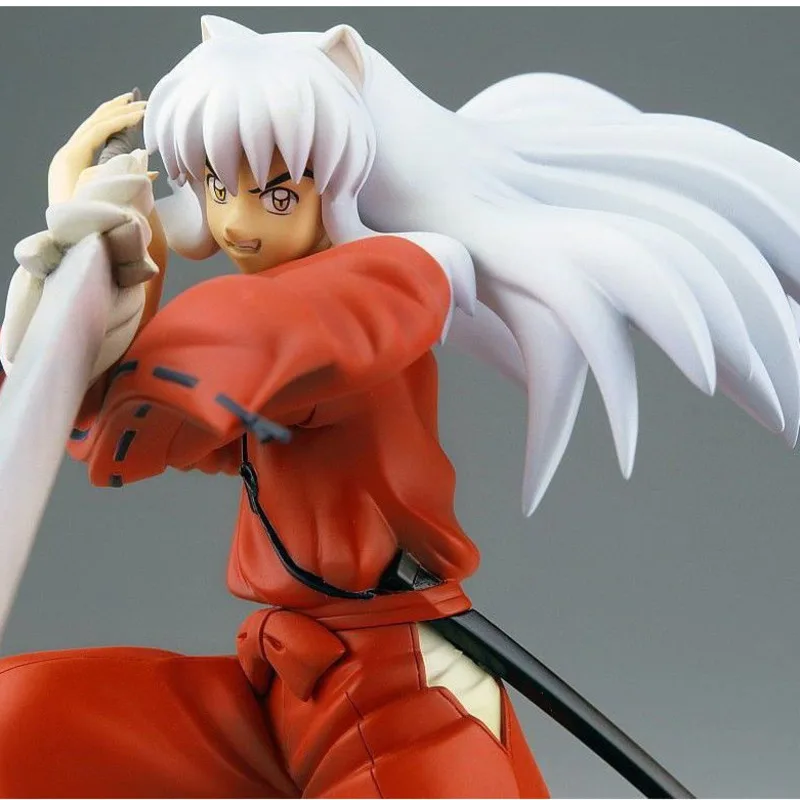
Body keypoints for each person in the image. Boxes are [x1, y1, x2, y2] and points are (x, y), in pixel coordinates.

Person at [1, 14, 800, 798]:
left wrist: (125, 293)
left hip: (401, 708)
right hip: (283, 690)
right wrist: (101, 278)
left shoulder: (390, 281)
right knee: (26, 722)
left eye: (276, 195)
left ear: (339, 185)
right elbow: (123, 435)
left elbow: (247, 349)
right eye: (215, 187)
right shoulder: (266, 348)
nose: (236, 223)